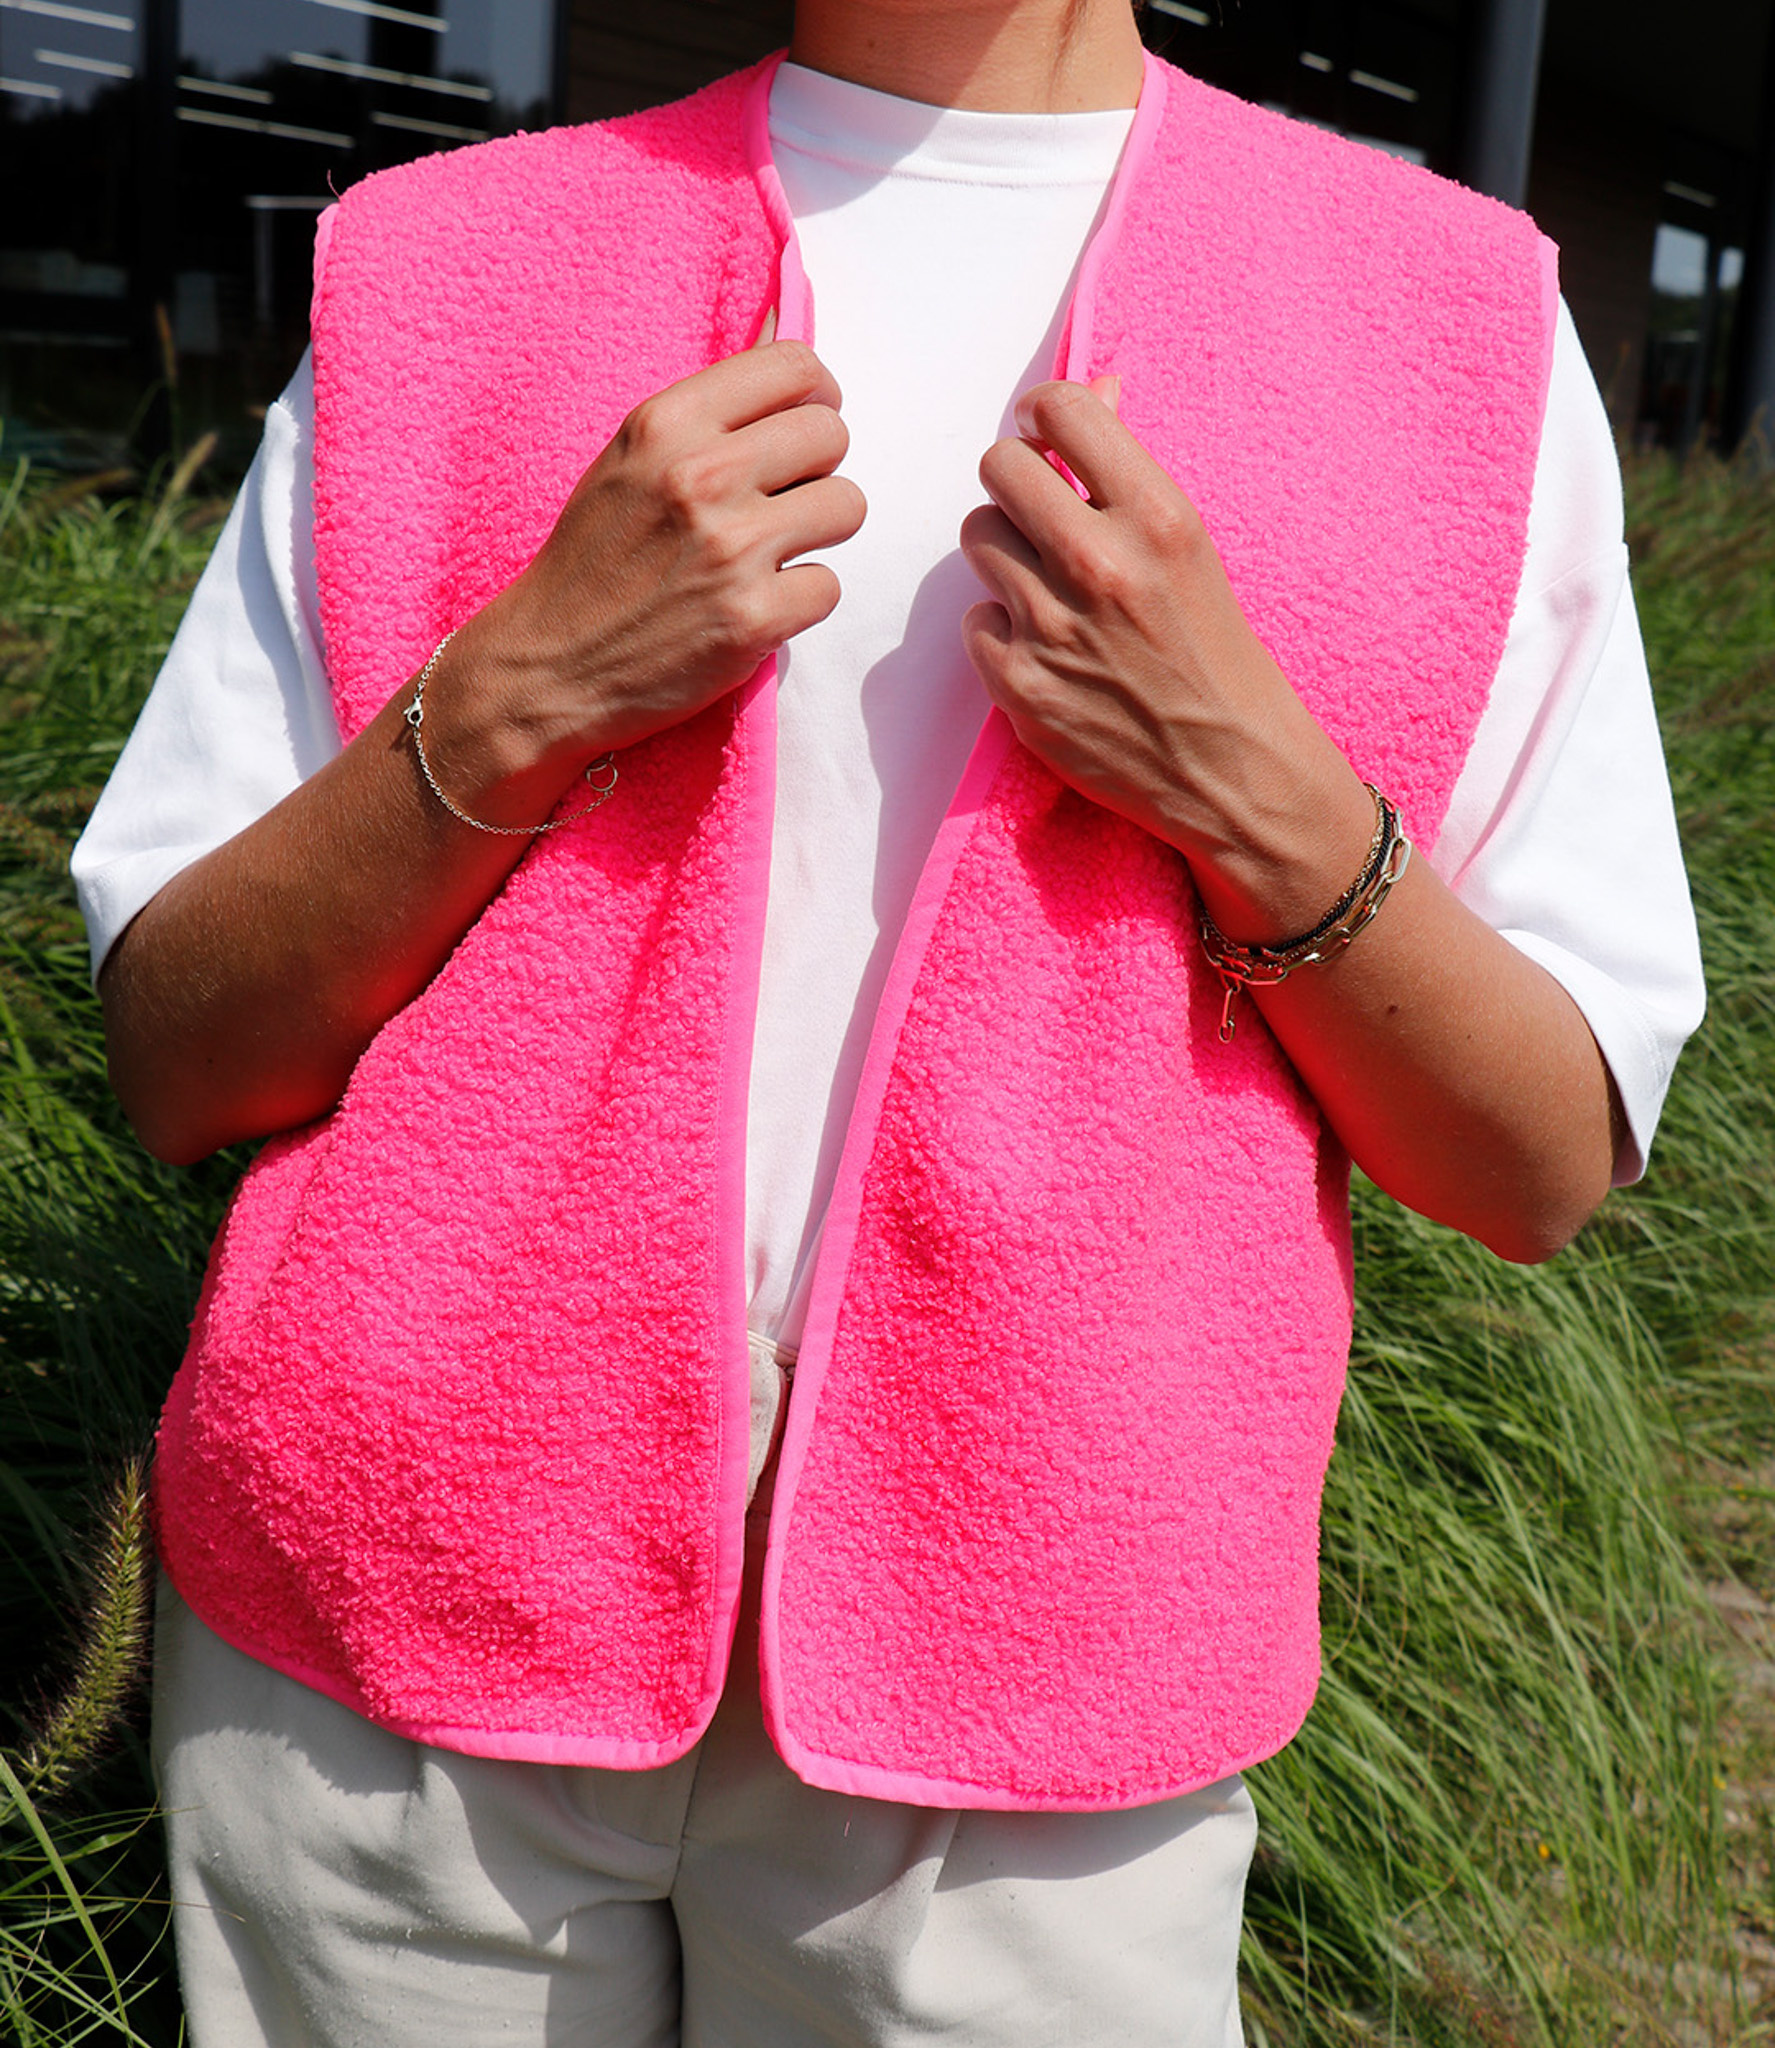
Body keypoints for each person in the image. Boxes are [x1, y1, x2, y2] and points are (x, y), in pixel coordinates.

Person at [73, 1, 1704, 2041]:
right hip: (385, 1641)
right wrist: (523, 689)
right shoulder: (441, 266)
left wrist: (1259, 791)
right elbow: (179, 1053)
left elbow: (1540, 1162)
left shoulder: (1447, 323)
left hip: (1040, 1697)